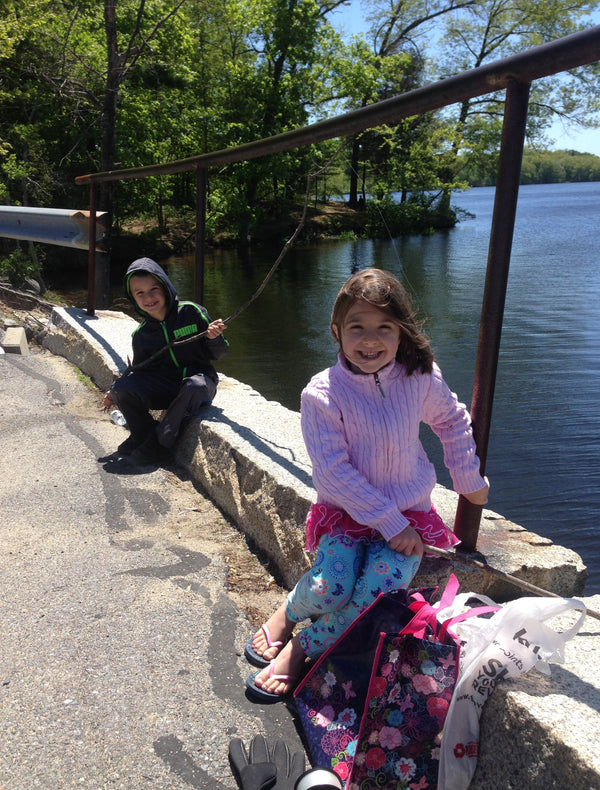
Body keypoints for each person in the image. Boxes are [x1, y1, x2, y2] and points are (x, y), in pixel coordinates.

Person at [245, 268, 489, 702]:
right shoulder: (322, 393)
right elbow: (332, 471)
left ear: (402, 332)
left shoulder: (420, 376)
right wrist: (389, 523)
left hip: (410, 515)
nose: (370, 340)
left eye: (384, 328)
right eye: (357, 327)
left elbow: (451, 420)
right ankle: (287, 613)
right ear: (337, 332)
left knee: (377, 593)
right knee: (329, 587)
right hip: (348, 514)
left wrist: (468, 478)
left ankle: (304, 646)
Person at [103, 256, 228, 467]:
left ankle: (158, 445)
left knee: (194, 385)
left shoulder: (191, 312)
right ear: (132, 297)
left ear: (165, 286)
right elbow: (142, 372)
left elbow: (219, 353)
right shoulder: (141, 334)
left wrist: (214, 338)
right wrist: (114, 391)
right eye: (140, 293)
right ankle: (143, 435)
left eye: (154, 289)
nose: (148, 297)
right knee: (121, 388)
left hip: (198, 384)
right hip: (166, 388)